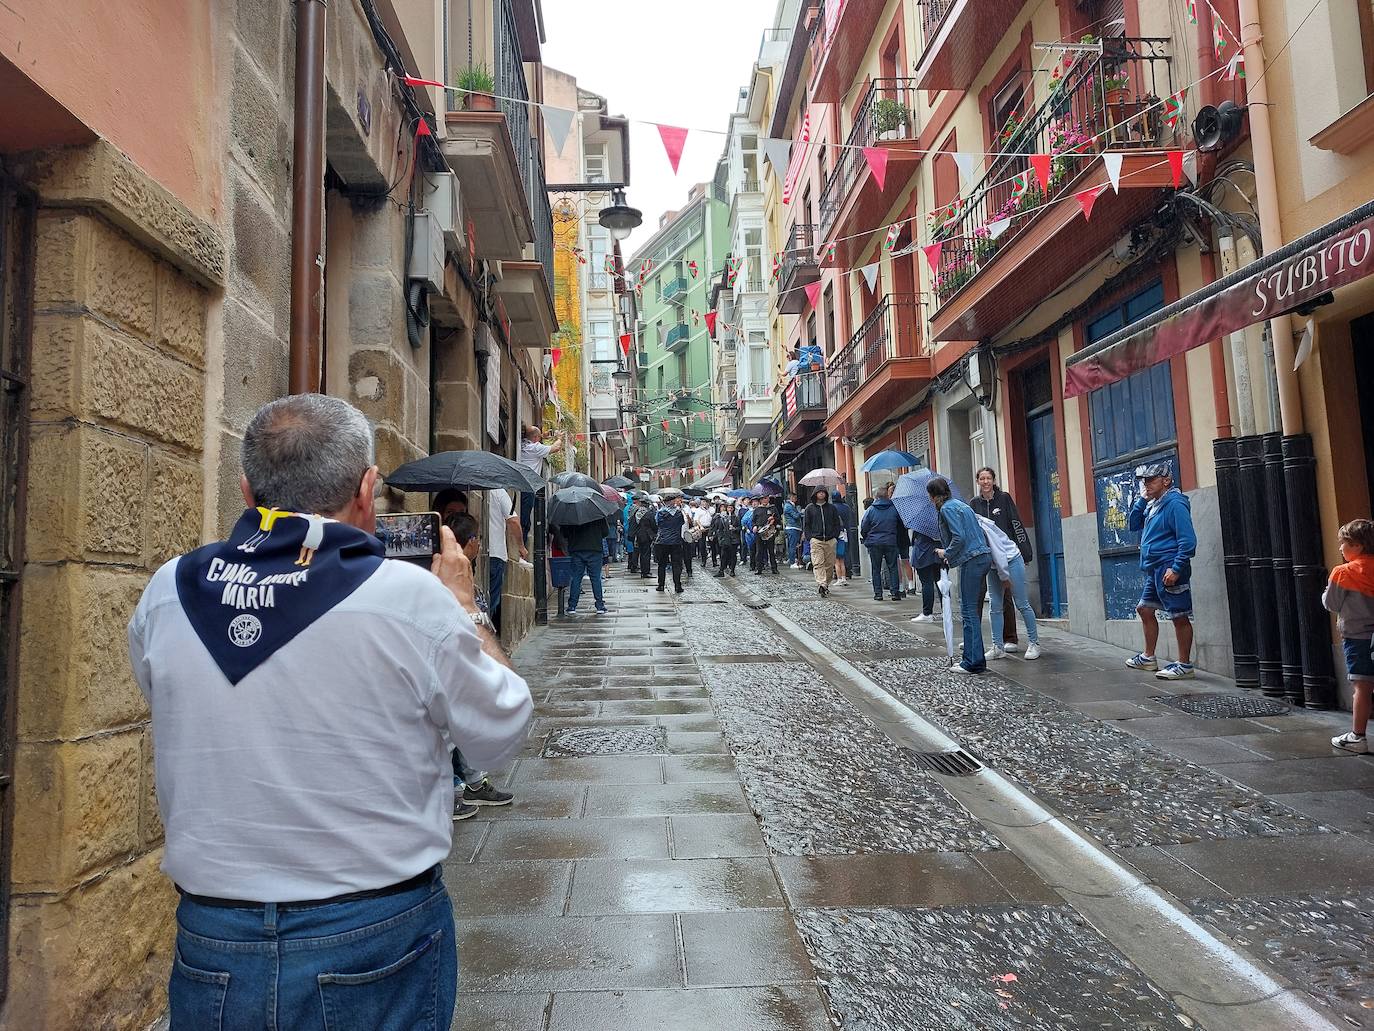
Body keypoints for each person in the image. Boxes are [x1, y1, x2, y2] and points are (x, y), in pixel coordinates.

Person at [128, 394, 532, 1029]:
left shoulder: (169, 591)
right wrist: (465, 605)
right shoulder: (411, 598)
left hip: (213, 937)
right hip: (372, 934)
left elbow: (175, 703)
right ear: (368, 489)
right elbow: (499, 732)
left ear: (246, 490)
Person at [444, 512, 518, 815]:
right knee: (449, 733)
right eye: (478, 540)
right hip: (457, 662)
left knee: (465, 727)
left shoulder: (463, 570)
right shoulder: (450, 575)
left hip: (465, 663)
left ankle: (472, 783)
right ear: (472, 542)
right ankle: (451, 792)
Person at [1125, 462, 1197, 680]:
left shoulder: (1175, 503)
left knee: (1179, 616)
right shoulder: (1153, 504)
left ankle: (1184, 665)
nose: (1147, 484)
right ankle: (1148, 657)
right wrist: (1142, 500)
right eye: (1145, 481)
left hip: (1169, 567)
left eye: (1152, 480)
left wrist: (1176, 568)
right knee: (1144, 609)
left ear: (1166, 481)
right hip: (1154, 568)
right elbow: (1133, 524)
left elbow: (1188, 540)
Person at [929, 475, 993, 674]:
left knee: (968, 611)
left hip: (971, 560)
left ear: (933, 496)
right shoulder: (960, 504)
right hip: (982, 556)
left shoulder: (947, 509)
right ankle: (978, 659)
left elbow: (959, 536)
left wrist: (946, 552)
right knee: (972, 610)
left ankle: (971, 662)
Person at [1325, 519, 1374, 754]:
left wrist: (1327, 590)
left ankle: (1358, 736)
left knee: (1362, 687)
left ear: (1358, 546)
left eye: (1343, 543)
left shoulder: (1343, 573)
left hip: (1357, 637)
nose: (1340, 549)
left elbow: (1331, 603)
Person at [971, 467, 1033, 653]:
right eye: (982, 479)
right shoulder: (974, 503)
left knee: (1011, 598)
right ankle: (984, 641)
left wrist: (1025, 552)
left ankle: (1011, 638)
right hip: (986, 558)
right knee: (989, 601)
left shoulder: (1004, 498)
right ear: (978, 482)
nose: (986, 482)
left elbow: (1016, 523)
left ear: (994, 480)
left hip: (1007, 556)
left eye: (988, 478)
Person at [976, 511, 1042, 661]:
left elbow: (998, 553)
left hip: (1011, 559)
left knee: (1021, 603)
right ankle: (997, 646)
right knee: (995, 605)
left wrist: (1004, 577)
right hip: (995, 565)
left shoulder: (980, 527)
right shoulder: (968, 525)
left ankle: (1034, 643)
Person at [518, 424, 563, 542]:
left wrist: (543, 436)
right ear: (536, 438)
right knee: (525, 519)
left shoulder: (523, 444)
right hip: (529, 485)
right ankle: (522, 547)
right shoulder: (536, 448)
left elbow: (534, 438)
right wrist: (559, 438)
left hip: (518, 483)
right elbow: (556, 448)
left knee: (522, 515)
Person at [860, 486, 902, 601]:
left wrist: (867, 537)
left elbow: (864, 526)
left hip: (875, 542)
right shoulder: (894, 509)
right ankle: (895, 592)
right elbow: (900, 525)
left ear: (876, 497)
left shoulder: (871, 510)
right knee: (893, 567)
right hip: (890, 541)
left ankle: (878, 593)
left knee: (876, 569)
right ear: (887, 496)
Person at [563, 516, 611, 615]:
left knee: (576, 578)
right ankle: (600, 606)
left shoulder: (571, 514)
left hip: (576, 549)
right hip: (594, 549)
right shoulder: (598, 514)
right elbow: (605, 532)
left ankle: (572, 606)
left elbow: (564, 533)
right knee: (596, 578)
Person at [803, 487, 841, 597]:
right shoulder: (810, 508)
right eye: (819, 492)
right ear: (815, 494)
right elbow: (806, 524)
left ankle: (826, 584)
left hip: (830, 540)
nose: (821, 494)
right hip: (816, 540)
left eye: (823, 492)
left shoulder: (831, 508)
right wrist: (810, 537)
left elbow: (836, 523)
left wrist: (835, 536)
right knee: (818, 563)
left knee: (829, 564)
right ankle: (822, 584)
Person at [909, 528, 943, 623]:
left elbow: (914, 539)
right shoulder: (940, 518)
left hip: (923, 553)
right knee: (941, 583)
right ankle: (946, 610)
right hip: (939, 552)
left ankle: (927, 613)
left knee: (927, 583)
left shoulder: (921, 521)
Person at [655, 495, 687, 593]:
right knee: (676, 564)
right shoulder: (678, 513)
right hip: (676, 541)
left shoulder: (660, 513)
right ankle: (677, 586)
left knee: (662, 564)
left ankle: (661, 585)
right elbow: (681, 523)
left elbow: (657, 523)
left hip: (663, 541)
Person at [630, 496, 656, 578]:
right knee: (646, 554)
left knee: (641, 553)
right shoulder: (648, 513)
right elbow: (653, 525)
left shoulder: (636, 512)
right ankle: (646, 572)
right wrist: (654, 534)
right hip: (646, 536)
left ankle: (643, 571)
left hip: (638, 536)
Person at [713, 503, 741, 577]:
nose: (729, 509)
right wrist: (721, 539)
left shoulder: (736, 517)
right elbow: (720, 529)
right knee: (723, 555)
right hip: (725, 539)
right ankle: (721, 570)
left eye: (731, 508)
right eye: (728, 508)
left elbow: (739, 528)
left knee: (733, 555)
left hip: (733, 539)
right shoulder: (723, 518)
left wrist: (734, 528)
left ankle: (732, 570)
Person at [831, 489, 852, 586]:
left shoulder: (832, 508)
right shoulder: (846, 507)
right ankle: (845, 575)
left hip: (836, 534)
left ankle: (838, 577)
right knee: (844, 556)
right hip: (846, 533)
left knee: (836, 558)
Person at [755, 508, 780, 574]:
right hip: (760, 532)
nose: (764, 500)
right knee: (759, 552)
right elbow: (753, 520)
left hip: (770, 532)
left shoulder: (772, 508)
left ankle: (774, 568)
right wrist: (754, 526)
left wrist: (773, 519)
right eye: (763, 498)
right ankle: (759, 568)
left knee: (771, 552)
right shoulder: (757, 510)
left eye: (766, 498)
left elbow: (778, 520)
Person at [783, 492, 804, 568]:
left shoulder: (791, 505)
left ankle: (793, 559)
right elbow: (795, 516)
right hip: (792, 527)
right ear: (791, 497)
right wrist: (800, 512)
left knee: (793, 545)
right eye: (795, 497)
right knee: (792, 545)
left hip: (794, 527)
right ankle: (792, 562)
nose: (796, 499)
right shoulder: (788, 506)